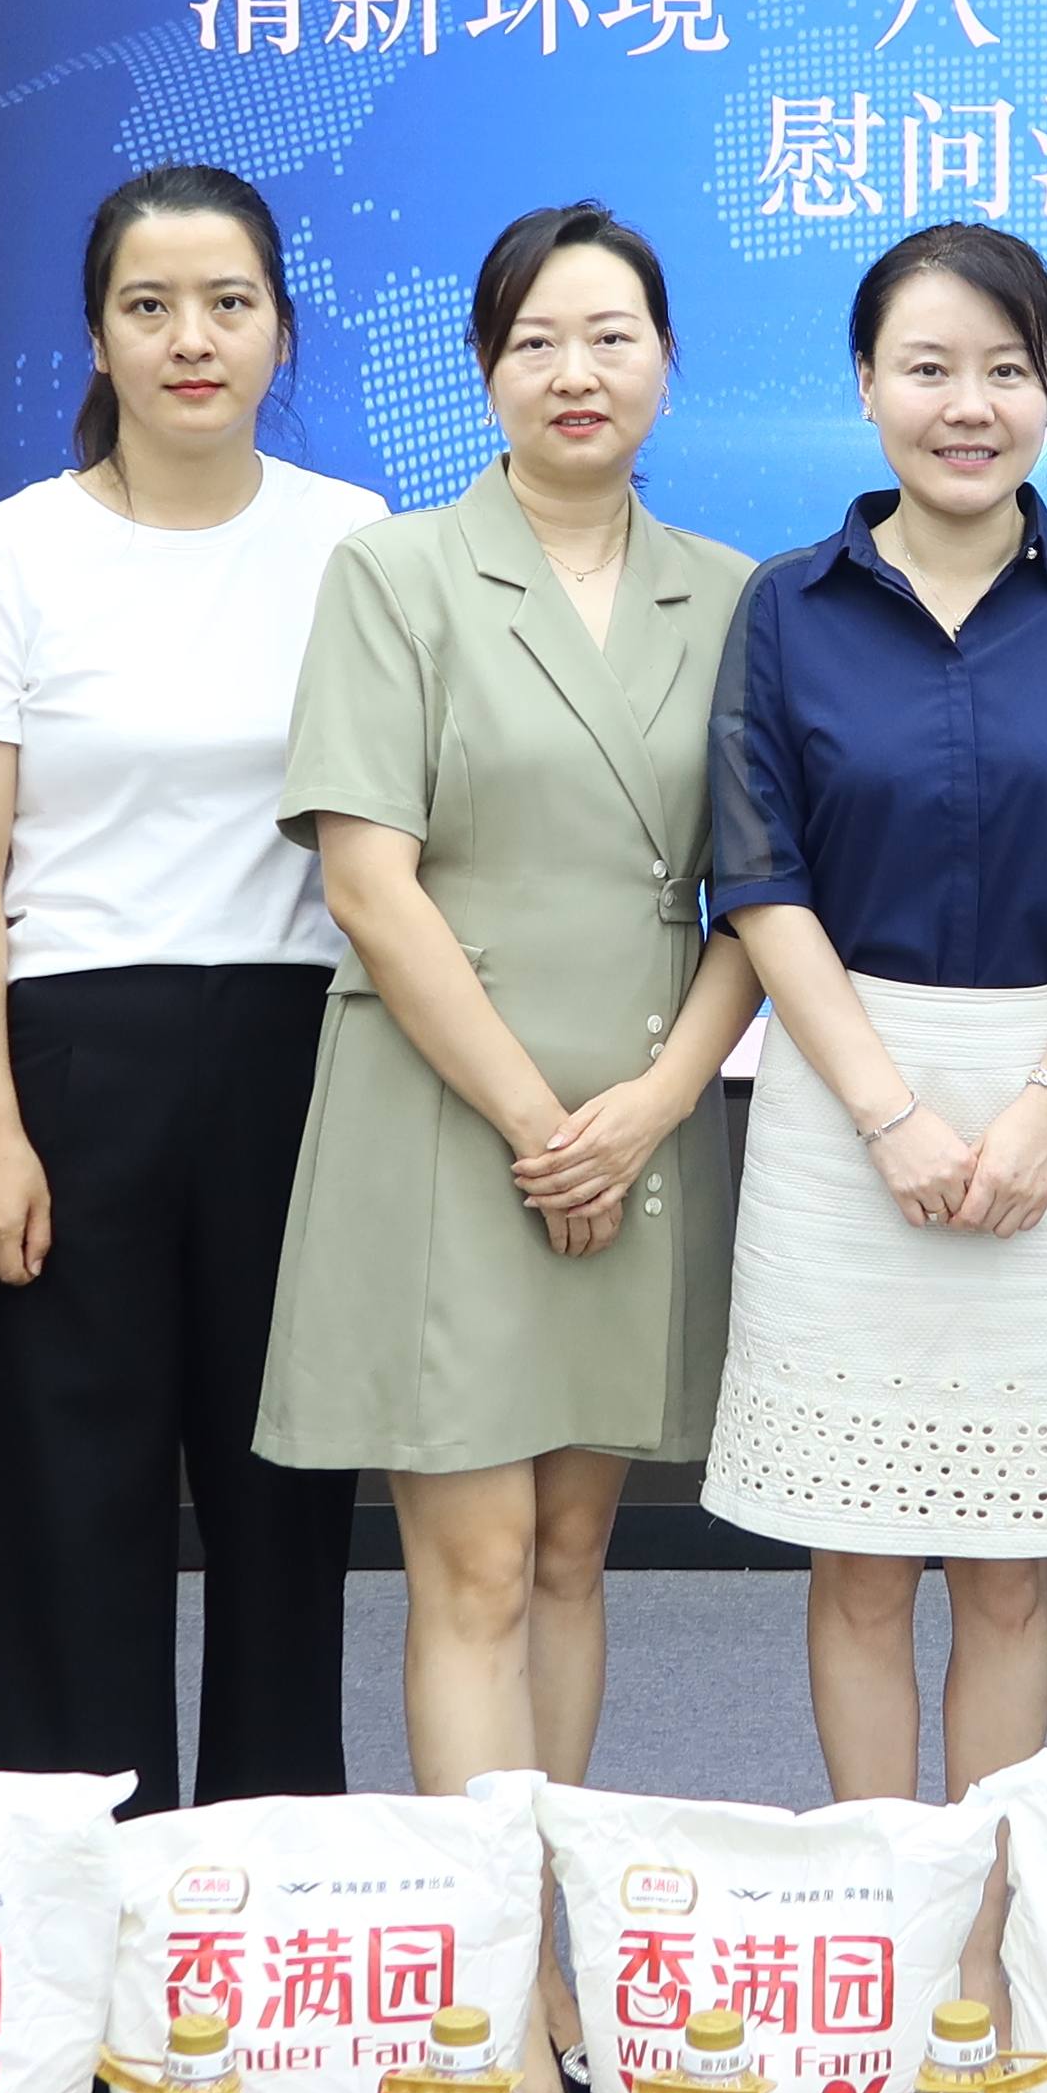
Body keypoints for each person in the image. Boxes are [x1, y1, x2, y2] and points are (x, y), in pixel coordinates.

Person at [703, 224, 1047, 1930]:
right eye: (928, 368)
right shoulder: (787, 608)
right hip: (844, 1102)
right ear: (866, 387)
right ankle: (882, 1935)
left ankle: (981, 1953)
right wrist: (890, 1113)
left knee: (1006, 1573)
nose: (966, 405)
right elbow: (758, 879)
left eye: (1005, 370)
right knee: (854, 1567)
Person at [260, 203, 765, 1859]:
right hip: (448, 1120)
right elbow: (368, 884)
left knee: (568, 1556)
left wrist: (652, 1105)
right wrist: (547, 1131)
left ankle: (556, 1939)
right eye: (536, 341)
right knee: (471, 1567)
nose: (576, 372)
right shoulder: (396, 572)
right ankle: (494, 1971)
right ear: (484, 369)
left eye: (612, 337)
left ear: (667, 366)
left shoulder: (735, 597)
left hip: (640, 1116)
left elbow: (765, 899)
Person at [0, 163, 385, 1810]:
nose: (193, 339)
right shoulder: (7, 553)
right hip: (70, 1067)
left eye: (229, 304)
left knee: (285, 1506)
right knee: (62, 1505)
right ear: (98, 338)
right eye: (151, 306)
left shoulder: (354, 540)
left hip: (297, 1060)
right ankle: (72, 1889)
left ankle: (262, 1893)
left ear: (281, 333)